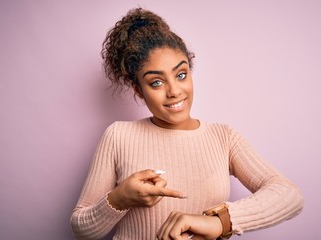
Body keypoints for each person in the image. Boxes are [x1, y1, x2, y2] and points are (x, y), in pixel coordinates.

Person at [70, 8, 303, 240]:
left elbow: (289, 196)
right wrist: (120, 198)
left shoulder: (223, 137)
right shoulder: (118, 135)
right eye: (157, 82)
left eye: (181, 75)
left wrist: (219, 221)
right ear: (139, 91)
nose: (174, 91)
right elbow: (81, 229)